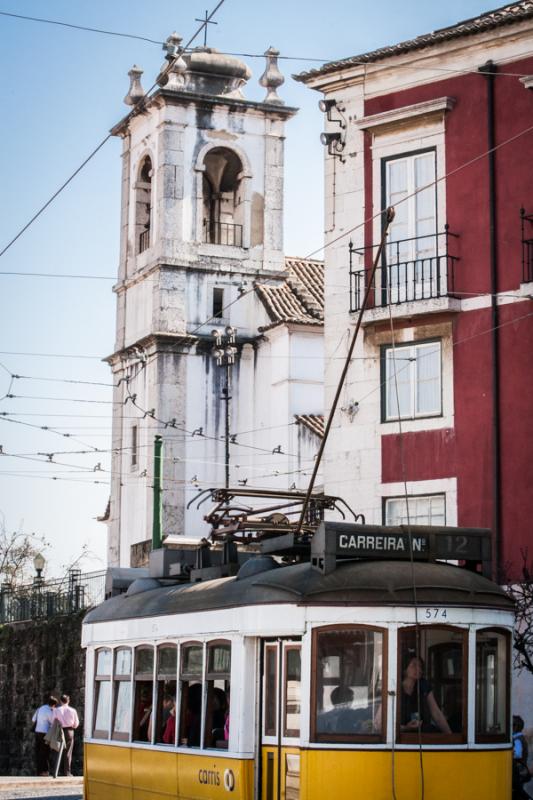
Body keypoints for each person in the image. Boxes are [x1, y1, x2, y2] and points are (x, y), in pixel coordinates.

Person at [400, 656, 451, 734]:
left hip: (424, 735)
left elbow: (436, 713)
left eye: (420, 666)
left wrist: (451, 737)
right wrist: (406, 728)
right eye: (414, 665)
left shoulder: (424, 685)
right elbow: (385, 725)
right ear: (405, 670)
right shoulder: (396, 687)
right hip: (401, 738)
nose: (418, 669)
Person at [53, 694, 79, 776]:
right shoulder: (73, 710)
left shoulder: (56, 710)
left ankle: (58, 771)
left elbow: (53, 721)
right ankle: (67, 772)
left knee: (58, 750)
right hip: (69, 731)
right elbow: (76, 723)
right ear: (68, 701)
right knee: (68, 752)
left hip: (59, 730)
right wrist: (72, 727)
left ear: (60, 701)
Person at [32, 695, 58, 776]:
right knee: (45, 752)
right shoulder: (50, 711)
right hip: (45, 733)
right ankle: (45, 771)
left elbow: (33, 719)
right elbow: (53, 722)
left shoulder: (40, 708)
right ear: (53, 705)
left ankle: (39, 771)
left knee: (38, 752)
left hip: (37, 732)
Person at [513, 715, 531, 800]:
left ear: (515, 727)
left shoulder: (517, 739)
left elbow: (518, 754)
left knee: (517, 791)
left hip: (519, 771)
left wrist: (510, 754)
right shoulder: (520, 738)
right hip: (521, 771)